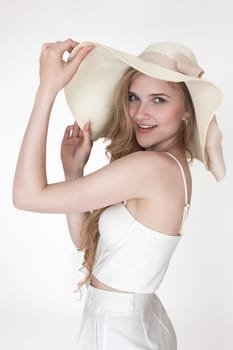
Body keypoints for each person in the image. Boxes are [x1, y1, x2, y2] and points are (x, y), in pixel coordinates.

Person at [13, 39, 225, 349]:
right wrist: (74, 173)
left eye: (159, 100)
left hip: (121, 332)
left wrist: (46, 91)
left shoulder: (152, 168)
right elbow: (89, 245)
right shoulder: (169, 165)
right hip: (132, 322)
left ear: (187, 112)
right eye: (133, 97)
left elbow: (26, 196)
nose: (141, 112)